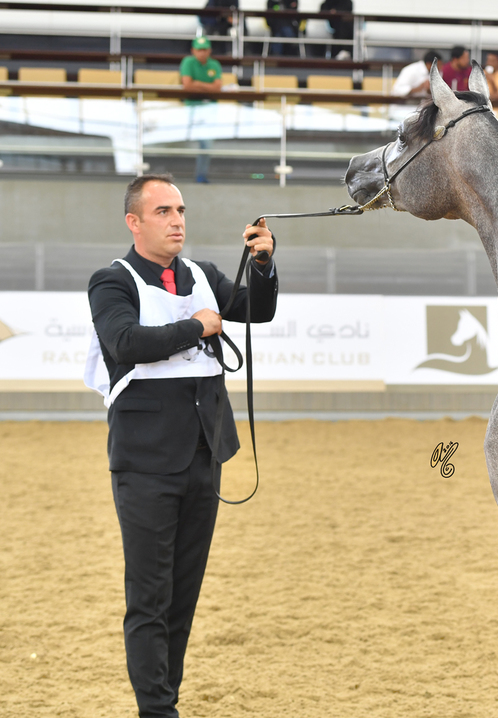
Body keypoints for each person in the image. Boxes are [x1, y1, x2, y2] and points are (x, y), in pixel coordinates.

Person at [85, 174, 278, 718]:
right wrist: (196, 327)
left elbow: (254, 310)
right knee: (149, 597)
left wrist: (262, 264)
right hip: (145, 460)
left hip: (204, 452)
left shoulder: (201, 274)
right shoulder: (112, 281)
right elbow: (125, 343)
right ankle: (157, 710)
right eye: (163, 211)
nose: (177, 221)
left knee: (183, 595)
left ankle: (163, 700)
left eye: (181, 210)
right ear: (135, 222)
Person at [179, 36, 222, 184]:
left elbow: (218, 87)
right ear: (193, 50)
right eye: (199, 50)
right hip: (192, 108)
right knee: (201, 142)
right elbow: (187, 85)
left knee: (206, 143)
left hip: (209, 109)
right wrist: (207, 87)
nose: (202, 53)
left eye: (204, 50)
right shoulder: (188, 62)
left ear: (209, 51)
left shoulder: (214, 64)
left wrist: (197, 83)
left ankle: (201, 175)